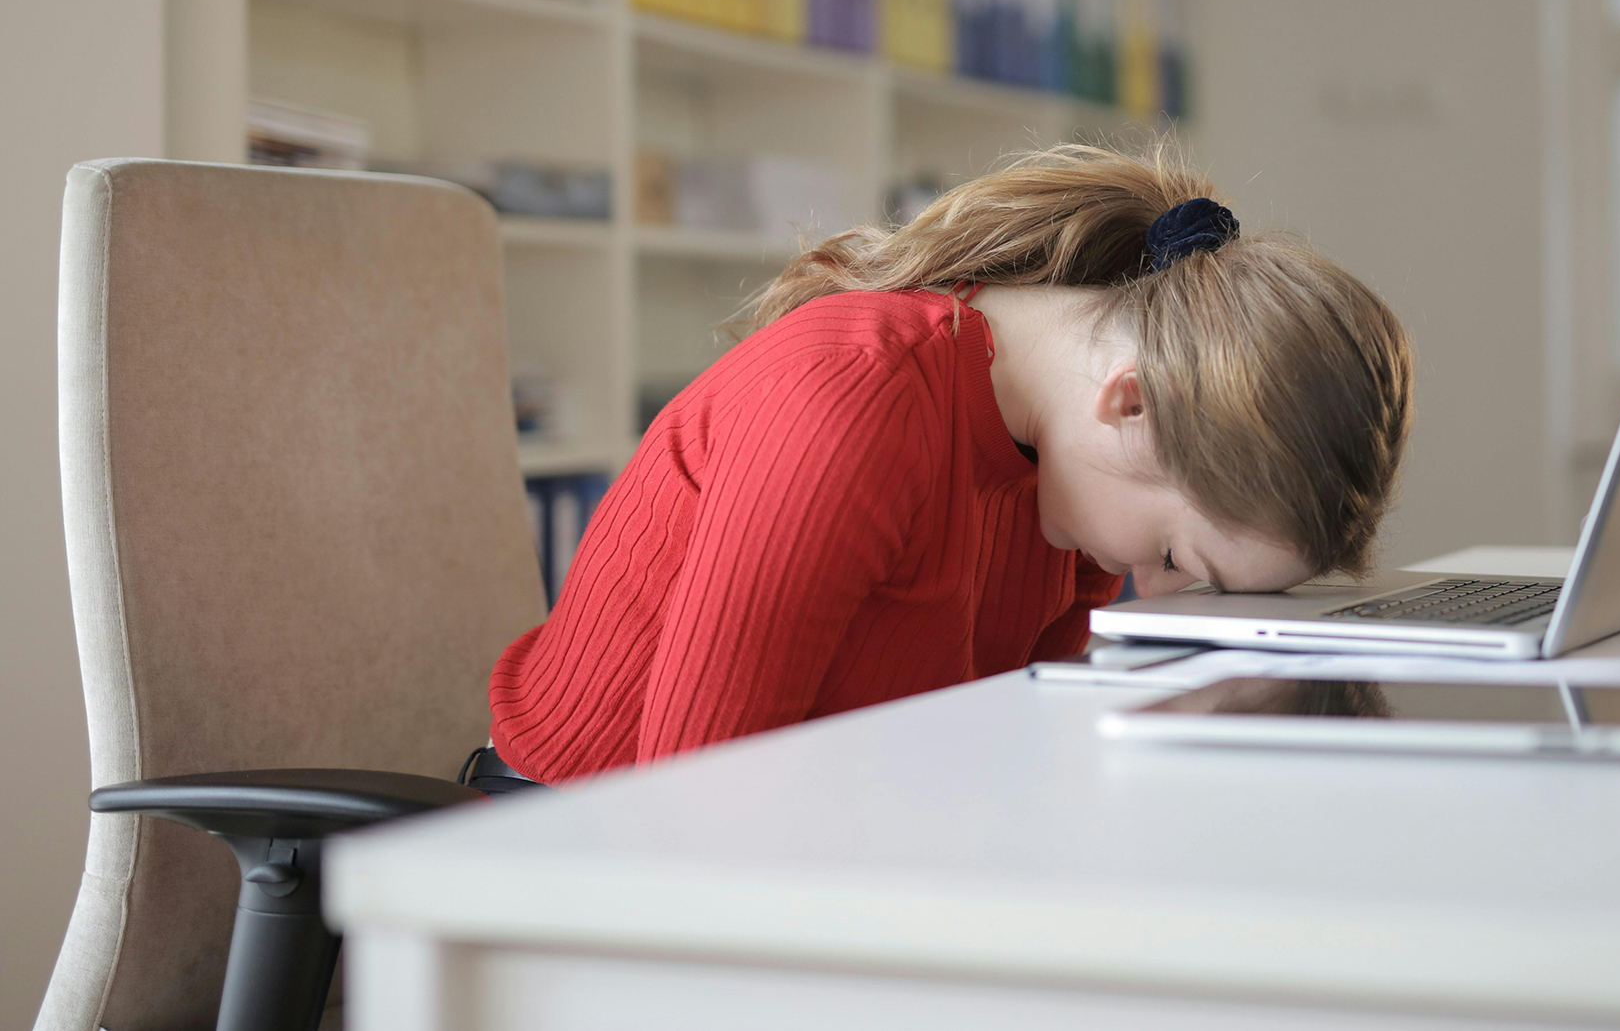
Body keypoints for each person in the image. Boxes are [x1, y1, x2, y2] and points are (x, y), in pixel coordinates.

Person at [485, 143, 1414, 783]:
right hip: (574, 846)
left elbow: (1001, 751)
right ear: (1130, 402)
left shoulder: (1071, 475)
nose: (1159, 594)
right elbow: (696, 805)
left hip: (826, 824)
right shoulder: (852, 400)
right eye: (1179, 560)